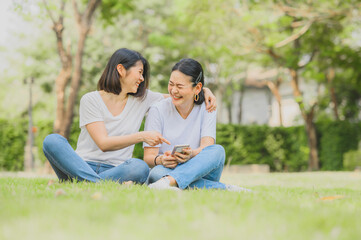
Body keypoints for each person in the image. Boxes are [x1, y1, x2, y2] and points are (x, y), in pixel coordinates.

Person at [42, 48, 217, 184]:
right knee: (52, 141)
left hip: (118, 169)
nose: (142, 78)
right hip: (80, 165)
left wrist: (205, 90)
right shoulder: (91, 99)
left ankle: (81, 183)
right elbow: (103, 143)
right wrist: (142, 136)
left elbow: (178, 95)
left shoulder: (143, 99)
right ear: (121, 69)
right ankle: (93, 182)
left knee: (139, 167)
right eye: (139, 72)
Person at [143, 58, 250, 191]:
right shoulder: (157, 109)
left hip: (198, 169)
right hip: (167, 169)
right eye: (171, 84)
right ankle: (225, 189)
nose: (173, 90)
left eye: (180, 86)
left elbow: (207, 147)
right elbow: (148, 157)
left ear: (198, 88)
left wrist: (191, 154)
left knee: (218, 151)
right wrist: (161, 160)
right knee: (156, 173)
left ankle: (168, 182)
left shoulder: (208, 107)